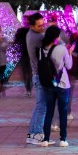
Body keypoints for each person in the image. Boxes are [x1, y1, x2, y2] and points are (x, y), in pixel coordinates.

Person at [39, 25, 72, 147]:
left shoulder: (41, 49)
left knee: (49, 111)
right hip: (62, 83)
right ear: (56, 37)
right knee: (62, 112)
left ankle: (46, 139)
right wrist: (70, 53)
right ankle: (63, 139)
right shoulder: (62, 49)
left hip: (47, 84)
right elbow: (69, 66)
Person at [25, 13, 47, 144]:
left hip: (36, 75)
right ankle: (37, 134)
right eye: (40, 26)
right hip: (40, 75)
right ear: (32, 26)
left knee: (39, 105)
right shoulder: (37, 38)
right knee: (42, 106)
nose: (42, 27)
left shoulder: (31, 34)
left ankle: (32, 135)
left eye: (43, 24)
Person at [14, 24, 32, 96]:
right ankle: (28, 89)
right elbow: (16, 41)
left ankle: (29, 89)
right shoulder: (21, 31)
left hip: (29, 55)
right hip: (24, 55)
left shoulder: (31, 31)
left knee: (29, 73)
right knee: (26, 73)